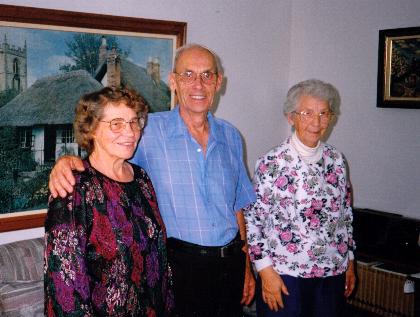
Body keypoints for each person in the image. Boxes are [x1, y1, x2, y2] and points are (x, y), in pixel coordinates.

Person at [48, 44, 256, 317]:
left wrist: (246, 266)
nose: (198, 84)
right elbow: (105, 153)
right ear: (173, 82)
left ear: (218, 82)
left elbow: (237, 206)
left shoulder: (231, 136)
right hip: (180, 269)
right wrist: (66, 162)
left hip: (230, 264)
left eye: (207, 75)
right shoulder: (147, 132)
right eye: (188, 75)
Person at [44, 87, 173, 316]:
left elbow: (160, 264)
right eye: (116, 123)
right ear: (91, 129)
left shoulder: (141, 178)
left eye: (134, 122)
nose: (131, 132)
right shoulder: (73, 189)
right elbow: (65, 287)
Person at [244, 79, 356, 317]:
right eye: (307, 113)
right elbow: (253, 220)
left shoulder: (336, 159)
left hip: (331, 272)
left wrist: (349, 261)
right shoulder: (272, 162)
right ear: (290, 117)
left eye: (323, 113)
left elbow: (345, 213)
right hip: (285, 275)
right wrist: (265, 271)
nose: (316, 122)